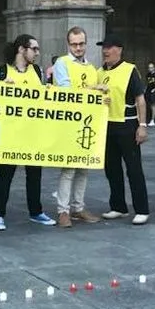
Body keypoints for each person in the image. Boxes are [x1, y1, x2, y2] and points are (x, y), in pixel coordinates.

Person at [0, 34, 56, 230]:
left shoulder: (37, 71)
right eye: (34, 49)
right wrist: (2, 90)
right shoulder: (1, 71)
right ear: (21, 49)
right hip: (10, 132)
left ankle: (36, 211)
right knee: (5, 174)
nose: (37, 53)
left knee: (35, 174)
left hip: (32, 132)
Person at [51, 27, 103, 228]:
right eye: (74, 44)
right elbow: (66, 91)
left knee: (83, 168)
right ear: (68, 44)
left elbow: (95, 96)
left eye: (81, 44)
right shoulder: (62, 63)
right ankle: (63, 210)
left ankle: (78, 207)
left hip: (88, 122)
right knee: (69, 168)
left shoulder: (91, 68)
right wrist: (94, 90)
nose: (78, 48)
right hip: (69, 121)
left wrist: (102, 98)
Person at [97, 34, 150, 225]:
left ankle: (142, 209)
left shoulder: (129, 70)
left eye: (109, 47)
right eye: (103, 47)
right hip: (107, 126)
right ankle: (118, 206)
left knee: (134, 169)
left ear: (119, 50)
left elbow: (140, 99)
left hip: (127, 125)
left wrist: (142, 126)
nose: (105, 51)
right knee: (112, 169)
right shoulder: (99, 72)